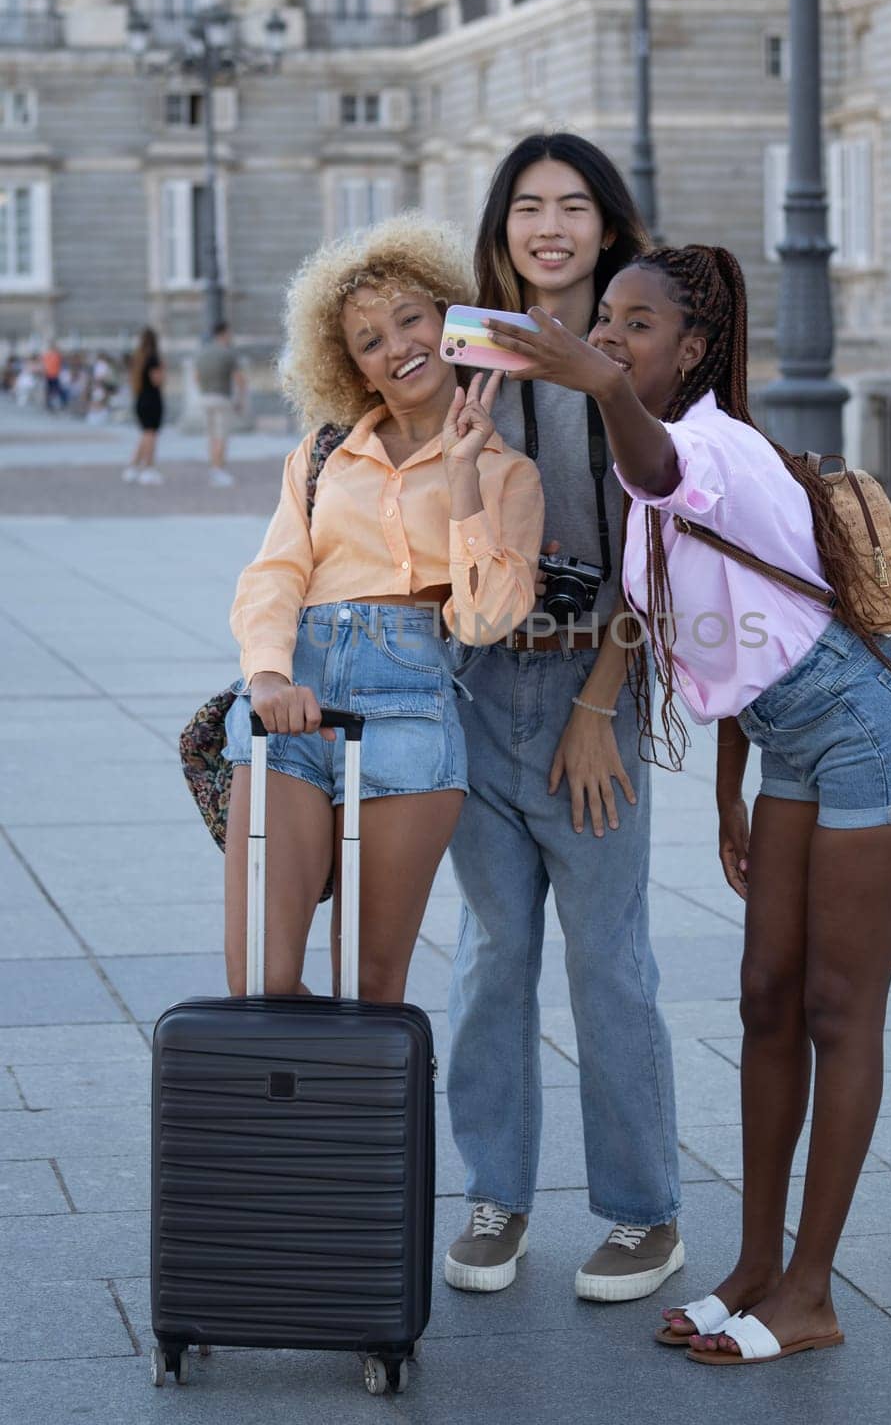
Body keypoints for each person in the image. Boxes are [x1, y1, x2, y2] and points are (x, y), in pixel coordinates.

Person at [485, 243, 891, 1366]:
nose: (608, 337)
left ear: (692, 350)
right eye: (603, 319)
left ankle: (809, 1290)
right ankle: (754, 1262)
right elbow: (720, 636)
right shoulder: (656, 458)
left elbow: (655, 473)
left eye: (636, 325)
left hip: (872, 729)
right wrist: (726, 791)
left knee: (836, 1011)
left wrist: (593, 382)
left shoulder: (702, 448)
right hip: (794, 741)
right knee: (763, 999)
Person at [444, 133, 684, 1305]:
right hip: (474, 684)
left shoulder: (633, 358)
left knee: (606, 958)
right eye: (529, 206)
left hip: (595, 681)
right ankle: (497, 1193)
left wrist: (600, 704)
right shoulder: (465, 354)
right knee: (490, 955)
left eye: (573, 206)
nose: (551, 225)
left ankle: (643, 1214)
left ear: (606, 224)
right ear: (501, 228)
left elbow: (664, 545)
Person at [221, 215, 543, 1003]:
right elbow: (274, 572)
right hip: (291, 691)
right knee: (260, 977)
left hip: (411, 707)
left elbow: (483, 620)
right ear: (354, 368)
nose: (397, 345)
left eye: (410, 319)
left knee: (372, 985)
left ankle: (354, 1129)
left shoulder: (509, 476)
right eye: (369, 340)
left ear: (446, 323)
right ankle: (269, 1127)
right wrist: (264, 675)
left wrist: (463, 475)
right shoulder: (324, 455)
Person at [195, 320, 247, 487]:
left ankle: (213, 467)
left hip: (205, 397)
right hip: (222, 398)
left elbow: (196, 377)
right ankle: (218, 470)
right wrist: (239, 400)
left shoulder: (203, 352)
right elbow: (240, 380)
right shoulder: (228, 353)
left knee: (211, 437)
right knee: (221, 437)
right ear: (224, 333)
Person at [124, 329, 166, 484]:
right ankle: (148, 468)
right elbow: (157, 380)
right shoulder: (152, 358)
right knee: (151, 436)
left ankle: (133, 467)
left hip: (140, 398)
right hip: (152, 399)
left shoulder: (138, 358)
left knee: (145, 435)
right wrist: (163, 370)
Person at [41, 342, 65, 411]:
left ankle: (54, 403)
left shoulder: (57, 355)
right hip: (50, 375)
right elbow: (45, 365)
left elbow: (60, 364)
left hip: (55, 375)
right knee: (50, 390)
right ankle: (49, 404)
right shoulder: (48, 355)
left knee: (55, 390)